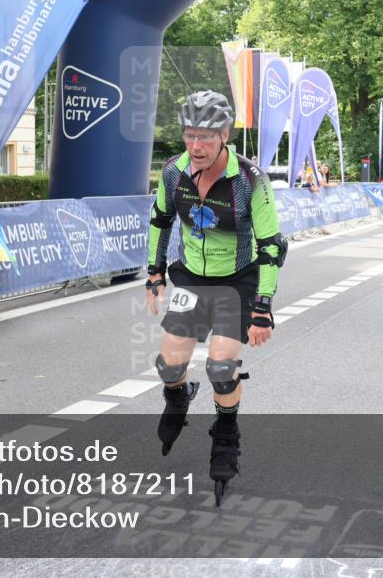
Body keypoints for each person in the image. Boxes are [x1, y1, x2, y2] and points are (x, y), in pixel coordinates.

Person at [146, 90, 286, 505]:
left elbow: (272, 246)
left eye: (207, 136)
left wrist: (262, 309)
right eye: (190, 135)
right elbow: (161, 219)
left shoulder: (249, 180)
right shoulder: (174, 172)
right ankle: (178, 395)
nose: (197, 145)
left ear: (225, 134)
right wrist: (154, 272)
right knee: (168, 365)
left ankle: (226, 432)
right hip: (192, 278)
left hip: (237, 280)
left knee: (222, 368)